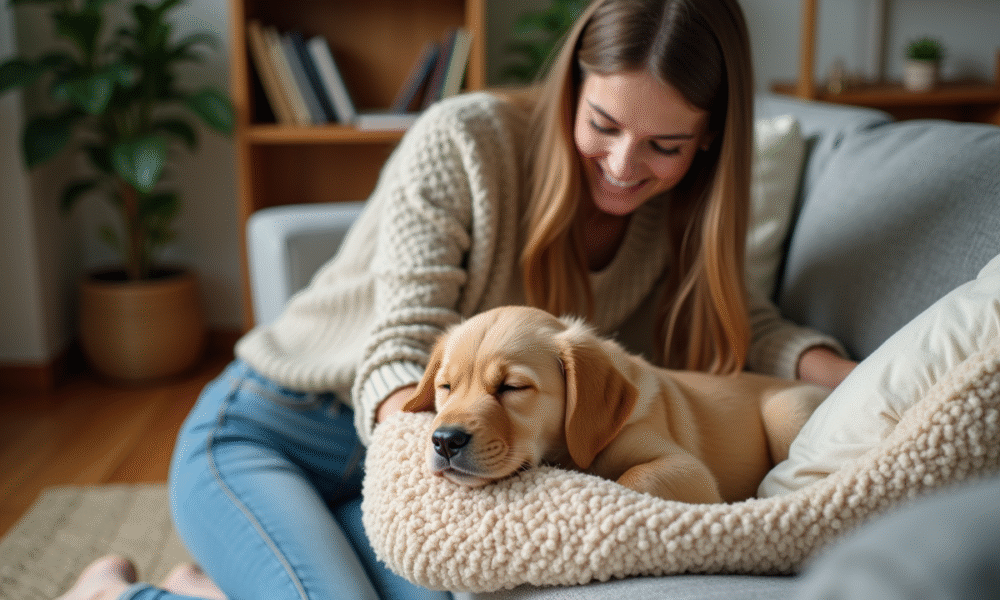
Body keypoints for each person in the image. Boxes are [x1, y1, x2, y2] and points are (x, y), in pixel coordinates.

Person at [58, 0, 857, 598]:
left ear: (710, 136)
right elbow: (401, 344)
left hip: (446, 446)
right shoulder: (465, 139)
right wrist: (425, 452)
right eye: (603, 123)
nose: (622, 164)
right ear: (573, 85)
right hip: (281, 429)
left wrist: (849, 376)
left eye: (665, 145)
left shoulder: (683, 212)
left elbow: (743, 323)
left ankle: (212, 585)